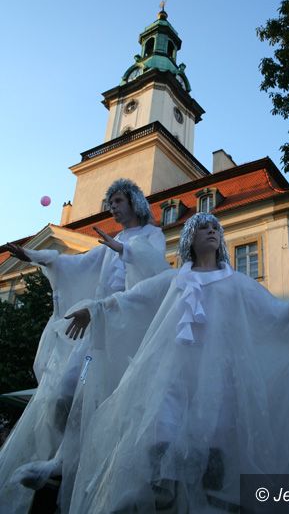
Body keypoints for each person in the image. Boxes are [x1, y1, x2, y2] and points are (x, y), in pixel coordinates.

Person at [63, 212, 289, 513]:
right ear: (190, 238)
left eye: (215, 228)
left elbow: (278, 314)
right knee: (160, 435)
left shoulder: (238, 284)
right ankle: (155, 495)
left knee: (213, 454)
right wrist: (94, 310)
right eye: (203, 227)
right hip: (172, 377)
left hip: (218, 383)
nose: (212, 231)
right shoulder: (174, 280)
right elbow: (133, 298)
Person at [0, 179, 169, 514]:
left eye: (118, 201)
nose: (112, 208)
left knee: (111, 401)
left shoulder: (152, 234)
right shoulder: (110, 243)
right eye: (110, 203)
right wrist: (35, 255)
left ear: (134, 202)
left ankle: (88, 464)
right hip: (98, 327)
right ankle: (65, 457)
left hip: (128, 330)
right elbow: (75, 265)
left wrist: (123, 250)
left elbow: (155, 268)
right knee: (67, 391)